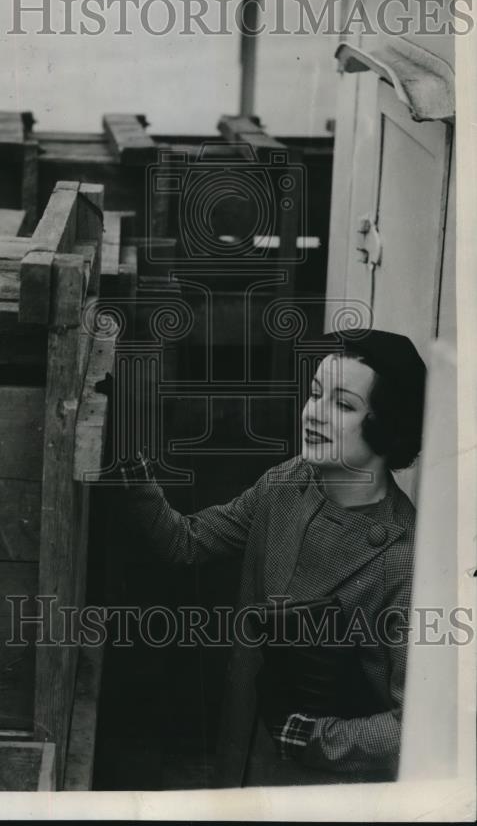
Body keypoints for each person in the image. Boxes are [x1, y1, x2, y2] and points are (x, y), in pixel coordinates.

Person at [120, 329, 426, 787]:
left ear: (388, 426)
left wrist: (314, 738)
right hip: (242, 757)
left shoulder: (403, 558)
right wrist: (129, 466)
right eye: (315, 394)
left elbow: (416, 729)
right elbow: (185, 543)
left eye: (342, 405)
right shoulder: (286, 483)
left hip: (323, 791)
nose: (313, 414)